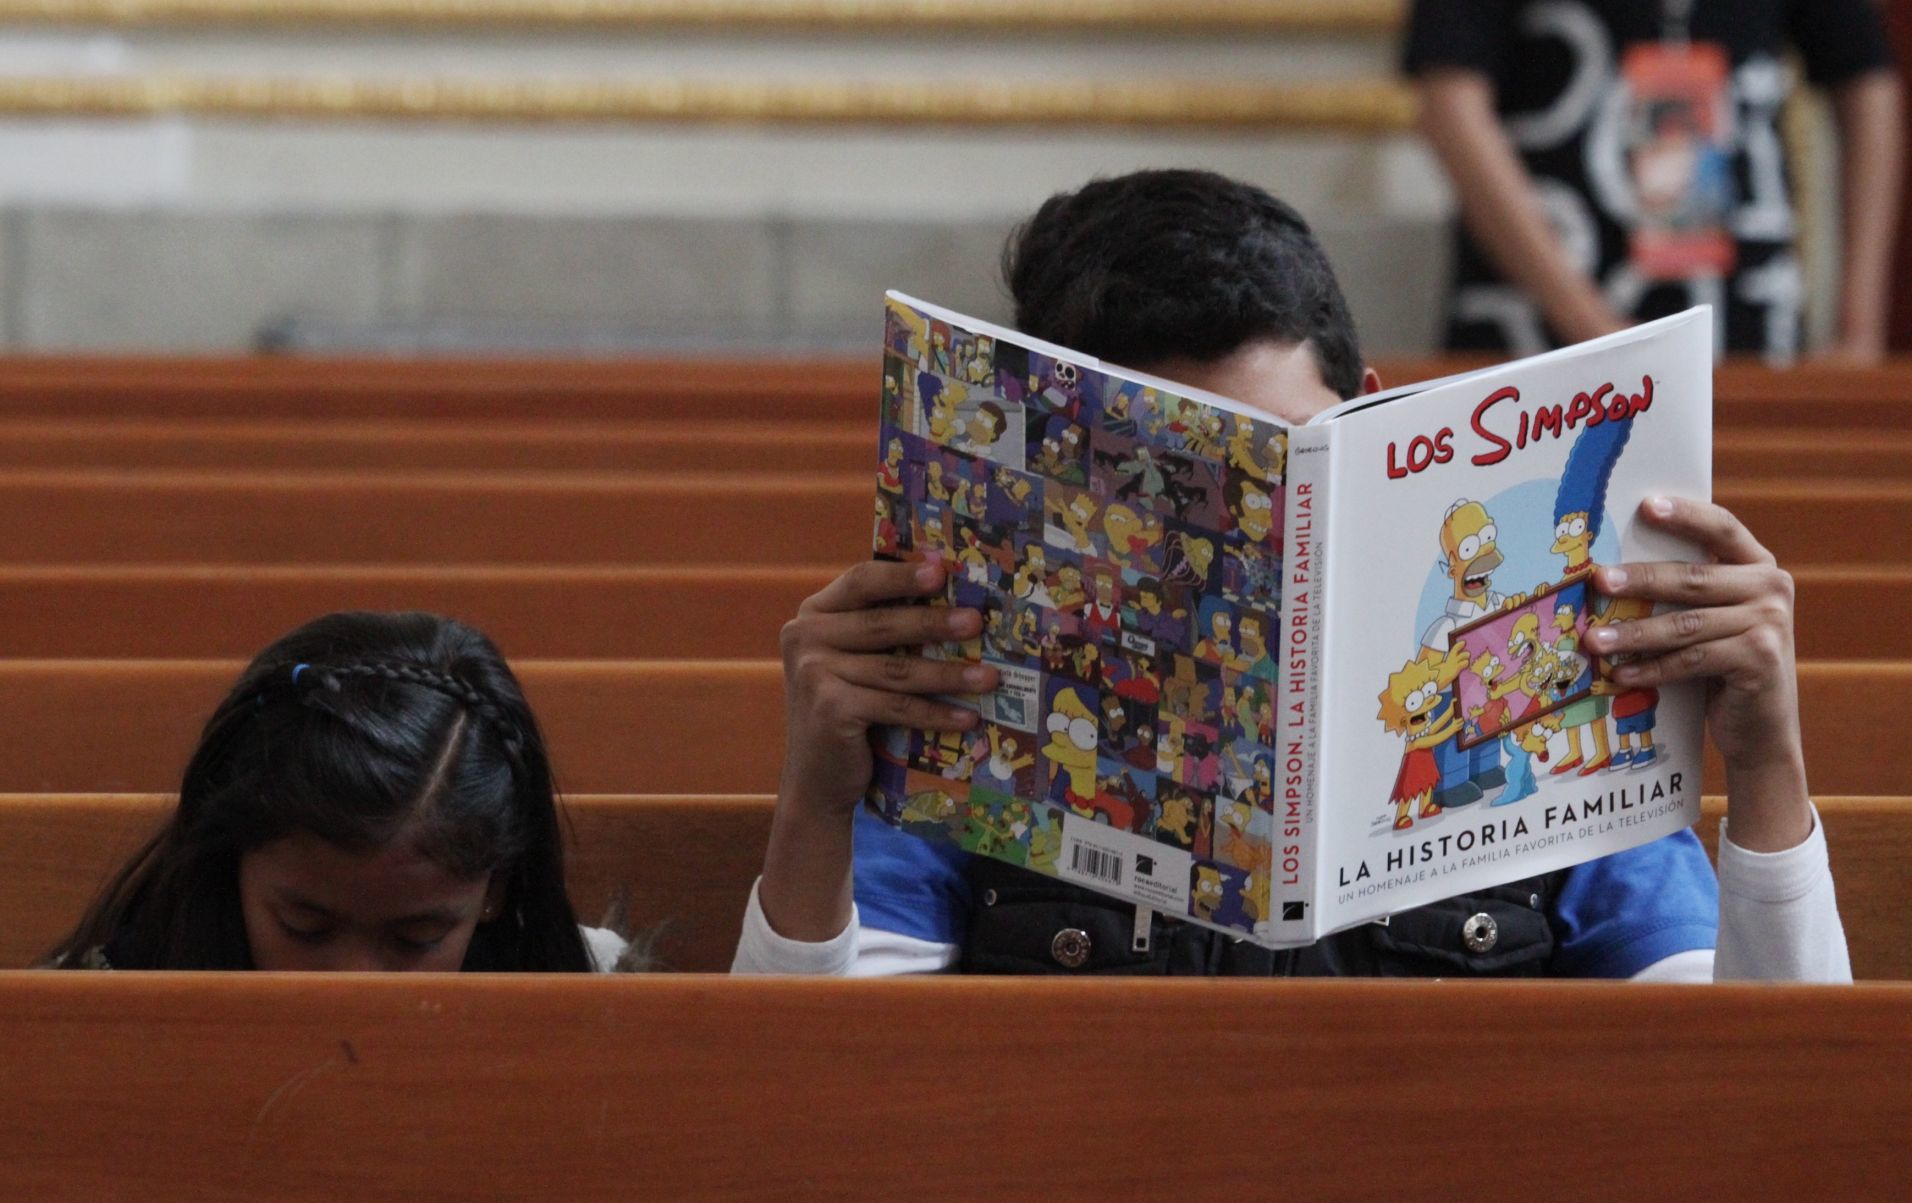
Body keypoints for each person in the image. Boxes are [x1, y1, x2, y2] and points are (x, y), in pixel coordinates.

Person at [732, 168, 1846, 982]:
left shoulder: (1547, 710)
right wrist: (814, 806)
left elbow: (1763, 1095)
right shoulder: (963, 724)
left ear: (1366, 415)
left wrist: (1766, 769)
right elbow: (803, 1116)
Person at [41, 611, 628, 972]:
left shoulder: (588, 1004)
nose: (353, 981)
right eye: (305, 927)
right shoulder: (97, 1013)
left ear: (495, 890)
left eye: (416, 938)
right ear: (231, 866)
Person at [1405, 0, 1902, 363]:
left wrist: (1858, 329)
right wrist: (1593, 326)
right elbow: (1451, 100)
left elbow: (1864, 75)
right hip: (1533, 326)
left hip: (1740, 323)